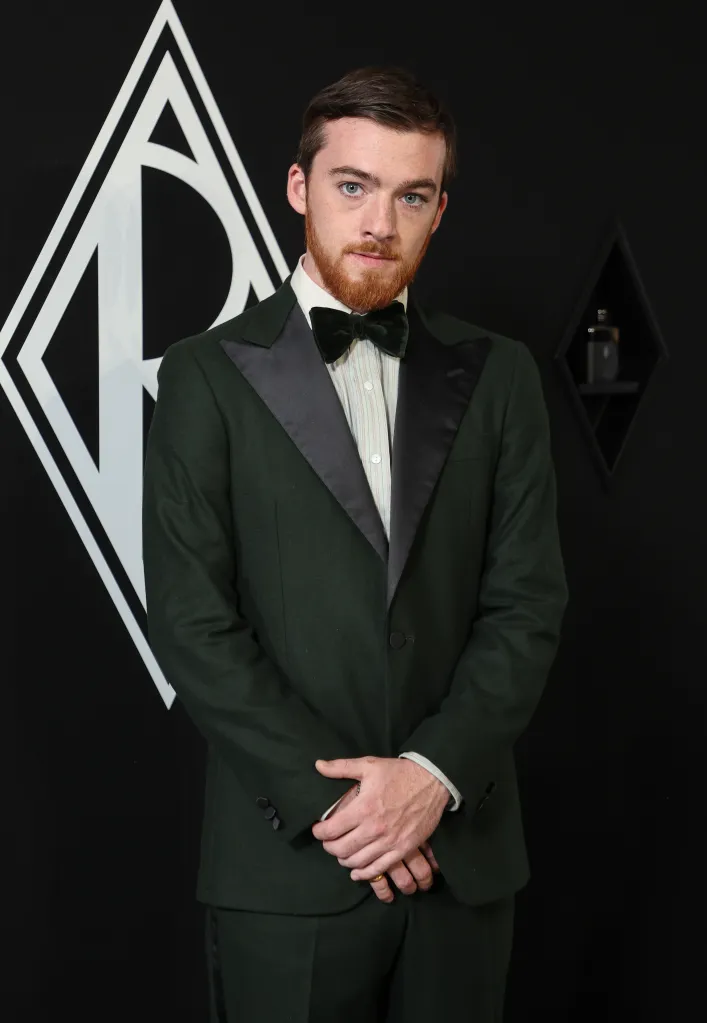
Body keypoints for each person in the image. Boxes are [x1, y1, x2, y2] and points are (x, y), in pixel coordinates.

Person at [142, 65, 568, 1023]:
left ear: (439, 210)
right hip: (287, 863)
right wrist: (344, 808)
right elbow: (191, 621)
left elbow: (527, 604)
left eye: (409, 195)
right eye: (352, 186)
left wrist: (432, 777)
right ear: (298, 189)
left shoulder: (498, 376)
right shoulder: (204, 377)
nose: (379, 221)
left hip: (461, 856)